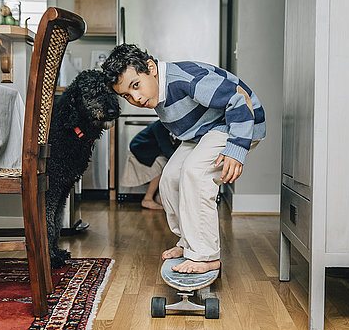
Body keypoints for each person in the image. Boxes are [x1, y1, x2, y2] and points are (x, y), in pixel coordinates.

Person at [102, 44, 265, 273]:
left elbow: (238, 100)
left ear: (151, 68)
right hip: (204, 131)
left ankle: (205, 255)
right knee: (170, 178)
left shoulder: (185, 78)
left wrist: (236, 148)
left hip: (236, 123)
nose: (136, 98)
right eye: (126, 95)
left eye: (136, 85)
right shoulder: (156, 93)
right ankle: (188, 243)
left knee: (195, 172)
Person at [120, 120, 180, 210]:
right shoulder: (161, 126)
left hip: (152, 150)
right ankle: (147, 199)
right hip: (141, 149)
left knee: (166, 165)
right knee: (160, 167)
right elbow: (166, 148)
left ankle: (159, 197)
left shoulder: (174, 127)